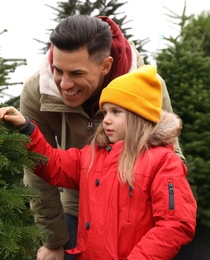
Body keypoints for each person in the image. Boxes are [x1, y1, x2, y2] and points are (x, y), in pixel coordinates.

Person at [19, 15, 186, 260]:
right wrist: (53, 240)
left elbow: (171, 160)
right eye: (58, 70)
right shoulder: (37, 90)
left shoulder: (147, 88)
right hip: (79, 207)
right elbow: (43, 167)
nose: (64, 84)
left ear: (105, 66)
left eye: (76, 73)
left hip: (138, 218)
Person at [0, 65, 197, 259]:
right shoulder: (92, 156)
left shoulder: (163, 162)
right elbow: (54, 164)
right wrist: (27, 128)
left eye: (116, 112)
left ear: (139, 116)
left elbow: (176, 223)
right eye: (105, 112)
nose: (105, 119)